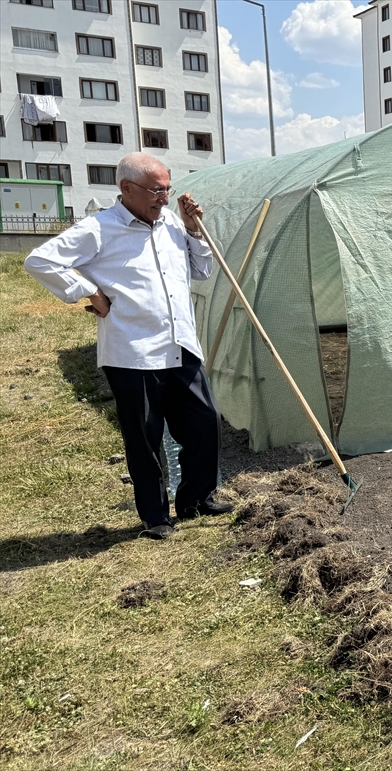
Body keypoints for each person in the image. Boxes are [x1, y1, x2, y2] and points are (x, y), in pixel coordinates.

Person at [25, 152, 231, 540]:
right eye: (157, 190)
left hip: (179, 342)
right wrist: (88, 291)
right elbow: (40, 261)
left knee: (205, 424)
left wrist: (194, 230)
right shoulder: (99, 229)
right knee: (144, 438)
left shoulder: (171, 222)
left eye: (168, 189)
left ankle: (196, 499)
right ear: (127, 188)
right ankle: (155, 517)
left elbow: (202, 270)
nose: (165, 198)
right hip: (133, 351)